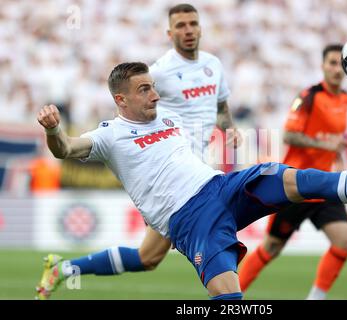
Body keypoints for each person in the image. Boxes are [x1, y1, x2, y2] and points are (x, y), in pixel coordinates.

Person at [36, 61, 347, 299]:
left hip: (221, 187)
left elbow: (209, 111)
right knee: (212, 287)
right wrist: (54, 131)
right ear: (121, 100)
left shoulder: (170, 118)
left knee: (291, 179)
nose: (155, 94)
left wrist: (226, 124)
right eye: (144, 90)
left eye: (154, 86)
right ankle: (66, 269)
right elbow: (66, 148)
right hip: (189, 219)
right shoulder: (108, 135)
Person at [35, 4, 241, 300]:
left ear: (200, 28)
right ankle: (230, 293)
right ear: (170, 33)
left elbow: (220, 106)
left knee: (149, 257)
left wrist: (229, 127)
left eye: (192, 24)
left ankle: (65, 269)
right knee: (190, 244)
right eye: (180, 26)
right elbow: (130, 112)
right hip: (174, 176)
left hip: (198, 170)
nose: (188, 31)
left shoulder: (214, 65)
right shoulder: (159, 71)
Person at [238, 44, 347, 299]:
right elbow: (289, 135)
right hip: (297, 184)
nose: (336, 69)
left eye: (340, 64)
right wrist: (326, 145)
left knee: (344, 241)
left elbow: (333, 138)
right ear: (323, 66)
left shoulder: (345, 99)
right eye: (331, 63)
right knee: (271, 247)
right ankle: (230, 297)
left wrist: (337, 156)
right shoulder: (309, 96)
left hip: (325, 185)